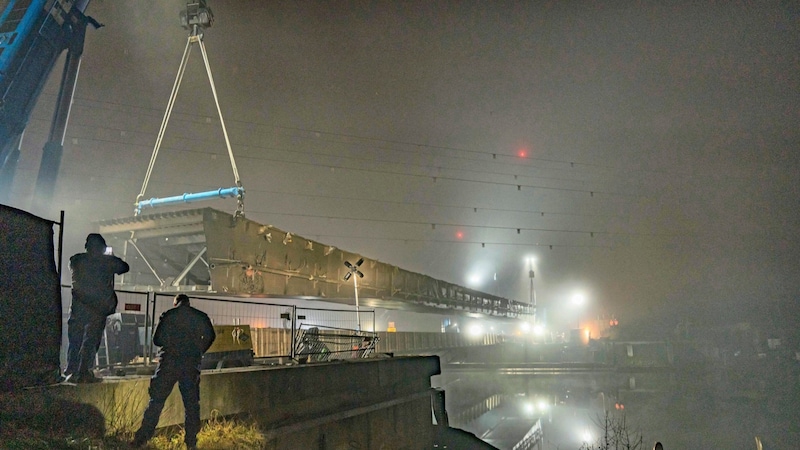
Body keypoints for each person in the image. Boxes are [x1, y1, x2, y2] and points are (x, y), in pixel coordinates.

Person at [132, 294, 216, 449]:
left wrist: (170, 344)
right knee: (191, 405)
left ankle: (141, 439)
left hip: (169, 363)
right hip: (191, 364)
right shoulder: (200, 316)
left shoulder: (168, 315)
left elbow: (157, 340)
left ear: (176, 303)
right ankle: (191, 442)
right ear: (188, 303)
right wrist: (199, 350)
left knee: (156, 401)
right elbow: (211, 336)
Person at [65, 233, 129, 383]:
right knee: (91, 341)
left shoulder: (76, 260)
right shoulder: (106, 262)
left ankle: (71, 370)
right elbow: (124, 267)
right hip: (97, 308)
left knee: (75, 340)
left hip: (77, 307)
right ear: (101, 248)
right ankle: (84, 372)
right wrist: (111, 256)